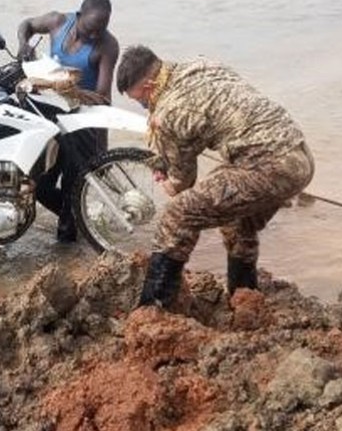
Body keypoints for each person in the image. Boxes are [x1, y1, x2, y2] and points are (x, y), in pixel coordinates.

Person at [115, 45, 314, 308]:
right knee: (237, 222)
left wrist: (170, 184)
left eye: (140, 100)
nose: (143, 106)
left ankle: (153, 310)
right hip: (298, 156)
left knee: (177, 215)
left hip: (269, 166)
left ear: (150, 85)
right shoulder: (200, 66)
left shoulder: (169, 111)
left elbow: (183, 181)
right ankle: (244, 298)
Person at [16, 0, 120, 242]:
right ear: (79, 15)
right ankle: (79, 219)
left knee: (73, 187)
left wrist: (72, 90)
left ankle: (69, 243)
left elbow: (104, 98)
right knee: (39, 185)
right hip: (53, 122)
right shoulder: (57, 22)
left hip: (84, 128)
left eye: (101, 30)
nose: (95, 35)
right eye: (90, 29)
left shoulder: (107, 46)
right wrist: (23, 44)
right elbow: (27, 25)